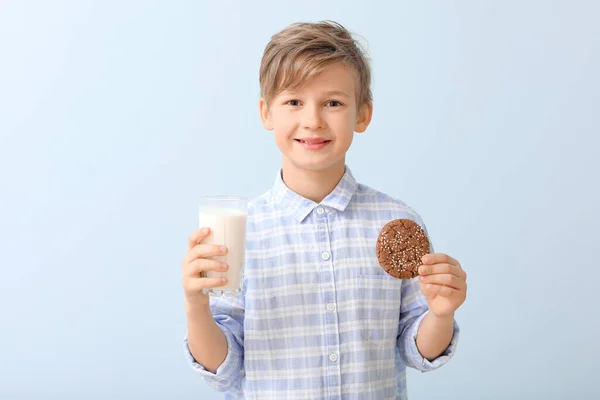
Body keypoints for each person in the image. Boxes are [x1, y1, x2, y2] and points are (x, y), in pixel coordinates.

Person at [181, 20, 468, 400]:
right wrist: (196, 305)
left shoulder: (397, 222)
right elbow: (223, 366)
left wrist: (442, 312)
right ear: (266, 113)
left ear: (362, 115)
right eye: (293, 102)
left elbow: (419, 352)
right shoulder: (239, 232)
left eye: (333, 102)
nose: (313, 120)